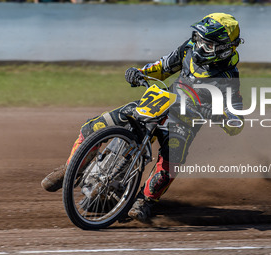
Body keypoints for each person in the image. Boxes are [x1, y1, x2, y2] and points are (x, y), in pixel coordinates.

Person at [41, 12, 244, 222]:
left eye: (207, 45)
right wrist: (139, 72)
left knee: (172, 162)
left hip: (185, 119)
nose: (200, 46)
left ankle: (145, 200)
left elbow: (236, 122)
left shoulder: (228, 78)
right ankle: (71, 167)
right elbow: (163, 67)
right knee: (93, 126)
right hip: (160, 100)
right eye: (198, 39)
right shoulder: (188, 49)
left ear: (223, 49)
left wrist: (218, 115)